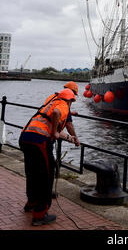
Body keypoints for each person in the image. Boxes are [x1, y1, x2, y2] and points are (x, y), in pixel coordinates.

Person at [19, 88, 79, 226]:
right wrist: (54, 132)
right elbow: (57, 118)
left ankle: (31, 202)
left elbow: (56, 127)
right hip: (39, 142)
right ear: (70, 100)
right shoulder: (63, 106)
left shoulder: (50, 103)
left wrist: (70, 138)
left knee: (32, 173)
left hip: (25, 137)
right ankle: (40, 214)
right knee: (46, 176)